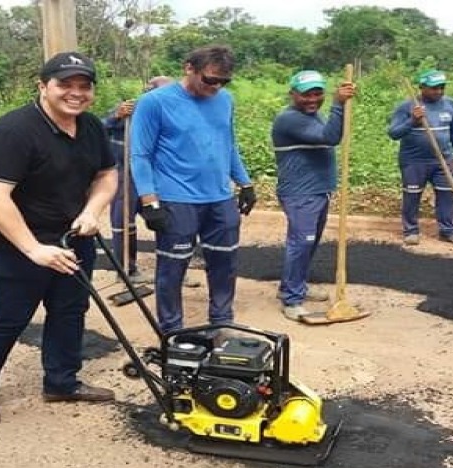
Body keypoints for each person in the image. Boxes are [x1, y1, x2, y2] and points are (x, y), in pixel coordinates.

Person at [0, 51, 118, 427]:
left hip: (72, 236)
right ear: (43, 86)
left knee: (69, 311)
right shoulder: (12, 131)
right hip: (14, 244)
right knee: (9, 316)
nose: (76, 93)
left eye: (84, 85)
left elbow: (106, 176)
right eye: (65, 84)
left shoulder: (91, 126)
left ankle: (62, 382)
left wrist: (91, 212)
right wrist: (33, 249)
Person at [130, 45, 256, 333]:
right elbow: (140, 155)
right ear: (189, 68)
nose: (216, 87)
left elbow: (228, 143)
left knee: (225, 263)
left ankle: (221, 321)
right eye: (210, 80)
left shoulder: (225, 100)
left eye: (223, 81)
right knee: (173, 269)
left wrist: (245, 183)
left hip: (219, 197)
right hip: (176, 198)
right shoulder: (155, 103)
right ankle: (172, 331)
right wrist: (149, 201)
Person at [272, 70, 356, 321]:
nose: (312, 99)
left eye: (317, 93)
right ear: (293, 94)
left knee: (309, 242)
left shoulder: (315, 116)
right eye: (306, 94)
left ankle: (292, 285)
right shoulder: (289, 119)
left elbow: (331, 133)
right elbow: (330, 137)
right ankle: (292, 298)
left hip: (318, 192)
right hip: (300, 194)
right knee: (302, 243)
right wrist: (338, 104)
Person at [103, 76, 172, 284]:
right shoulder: (129, 110)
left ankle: (171, 269)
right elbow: (98, 127)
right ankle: (126, 270)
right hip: (126, 173)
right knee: (124, 222)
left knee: (166, 220)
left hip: (157, 176)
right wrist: (116, 116)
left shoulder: (173, 112)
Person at [388, 69, 453, 246]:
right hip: (414, 162)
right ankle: (411, 231)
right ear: (422, 87)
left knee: (447, 194)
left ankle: (449, 231)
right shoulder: (407, 107)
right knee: (412, 195)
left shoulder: (450, 104)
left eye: (441, 87)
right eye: (433, 88)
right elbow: (393, 133)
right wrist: (412, 121)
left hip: (443, 159)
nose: (438, 91)